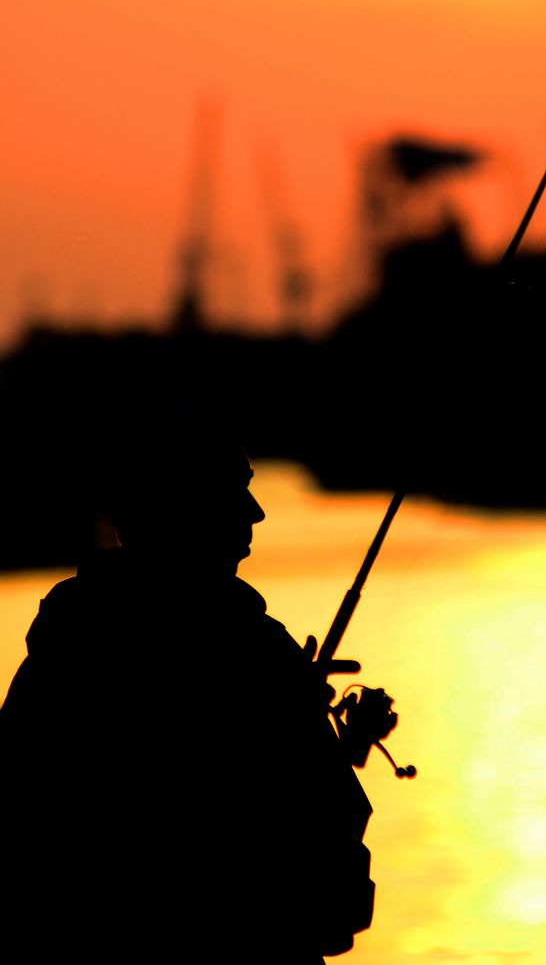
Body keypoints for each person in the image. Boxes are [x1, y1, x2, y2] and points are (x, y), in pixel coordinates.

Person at [0, 400, 375, 963]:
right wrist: (297, 723)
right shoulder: (255, 658)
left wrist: (314, 730)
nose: (256, 513)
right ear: (181, 506)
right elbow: (329, 901)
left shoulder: (63, 650)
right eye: (234, 490)